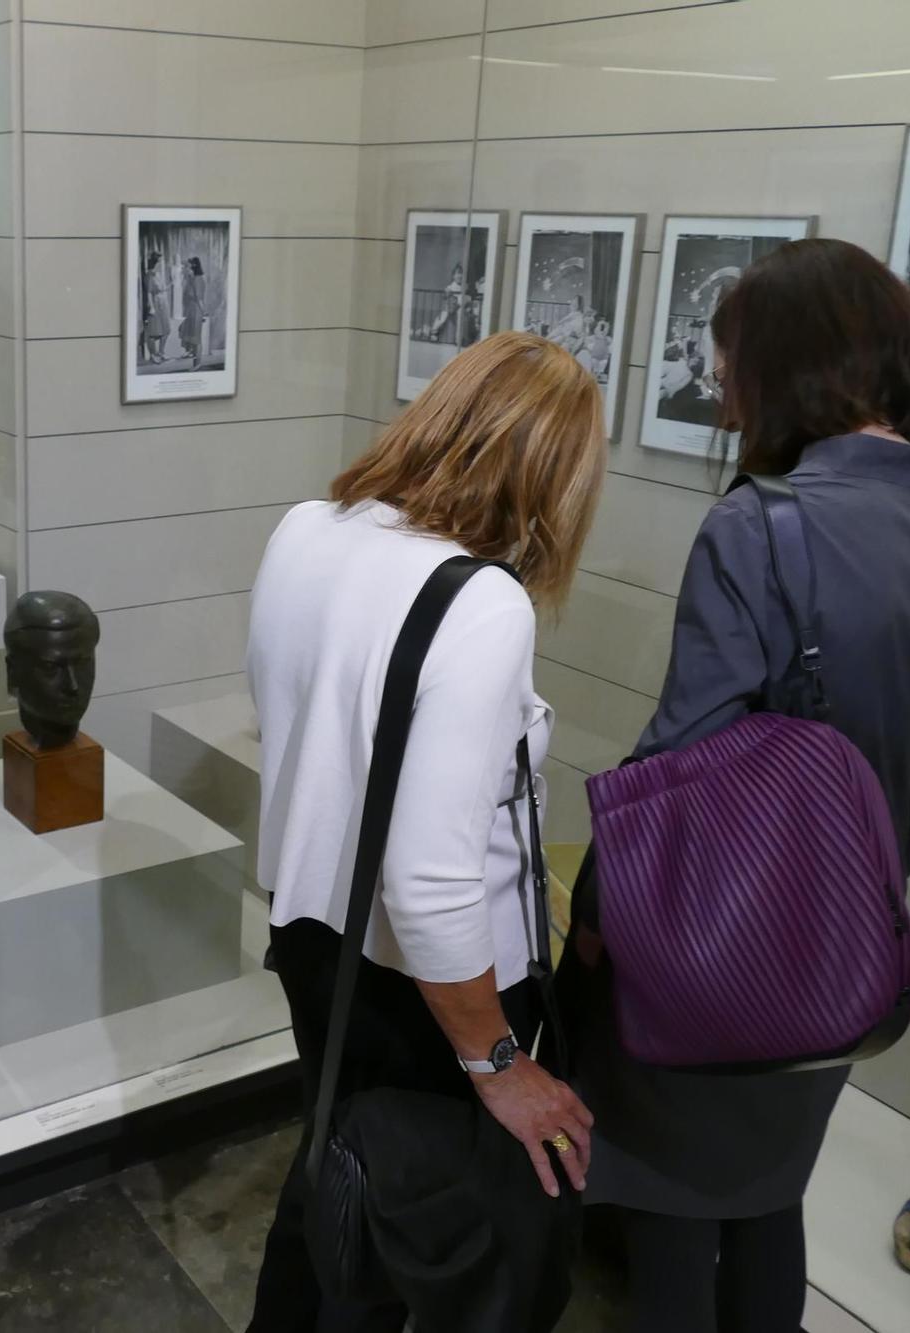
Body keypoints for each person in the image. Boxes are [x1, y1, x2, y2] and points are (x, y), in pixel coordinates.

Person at [569, 237, 910, 1333]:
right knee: (768, 1192)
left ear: (781, 366)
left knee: (671, 1214)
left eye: (728, 373)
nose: (722, 401)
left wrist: (592, 912)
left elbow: (680, 762)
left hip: (703, 945)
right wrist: (845, 889)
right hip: (851, 952)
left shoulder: (757, 525)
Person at [245, 331, 608, 1331]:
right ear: (547, 468)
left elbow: (295, 730)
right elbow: (430, 877)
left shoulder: (306, 529)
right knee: (415, 1224)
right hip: (427, 986)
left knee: (338, 1167)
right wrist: (498, 1062)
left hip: (312, 938)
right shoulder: (480, 604)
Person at [141, 251, 171, 364]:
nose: (162, 264)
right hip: (155, 304)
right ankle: (153, 355)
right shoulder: (149, 275)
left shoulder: (158, 275)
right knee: (154, 332)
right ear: (156, 263)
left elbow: (161, 289)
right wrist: (151, 307)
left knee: (166, 330)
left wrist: (170, 285)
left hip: (163, 304)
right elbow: (149, 293)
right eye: (161, 262)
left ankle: (161, 353)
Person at [179, 255, 208, 365]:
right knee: (185, 330)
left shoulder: (197, 280)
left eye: (188, 266)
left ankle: (198, 363)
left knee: (196, 338)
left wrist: (203, 312)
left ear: (193, 266)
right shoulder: (194, 279)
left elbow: (199, 298)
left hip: (196, 310)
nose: (186, 268)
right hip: (192, 310)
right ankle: (191, 352)